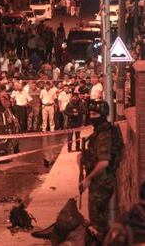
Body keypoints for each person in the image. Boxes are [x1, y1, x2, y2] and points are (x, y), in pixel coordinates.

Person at [79, 100, 123, 243]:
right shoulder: (100, 131)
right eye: (90, 113)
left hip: (102, 181)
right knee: (98, 218)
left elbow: (104, 162)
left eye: (95, 114)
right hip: (100, 180)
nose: (92, 116)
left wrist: (88, 178)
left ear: (103, 115)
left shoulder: (104, 134)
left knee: (98, 220)